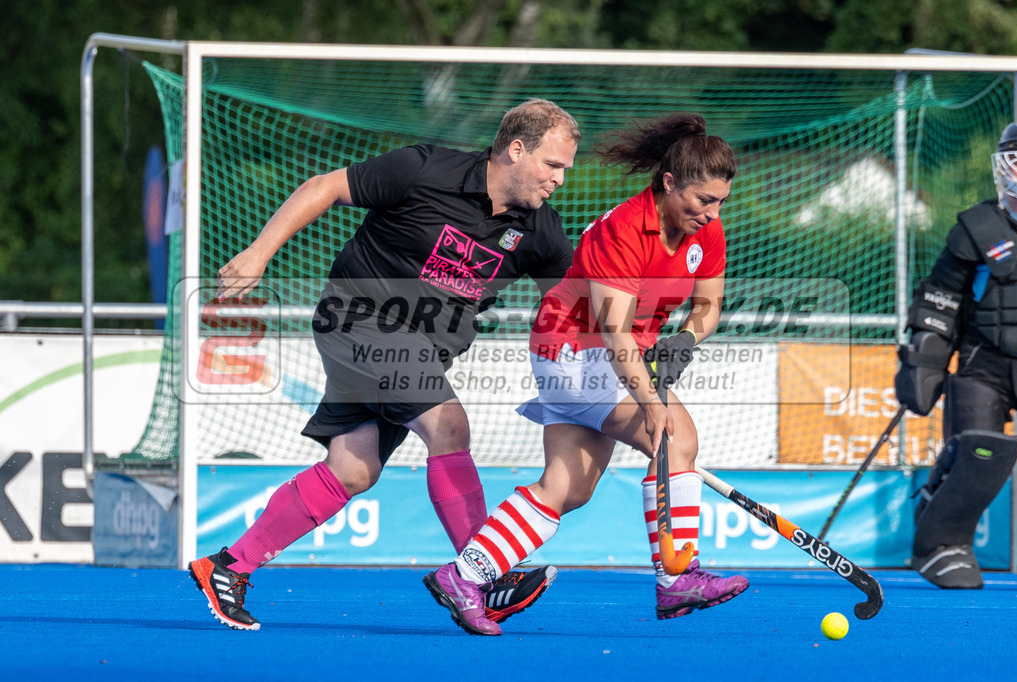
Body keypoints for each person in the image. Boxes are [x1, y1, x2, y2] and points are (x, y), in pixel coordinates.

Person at [189, 99, 581, 630]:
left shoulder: (541, 232)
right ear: (516, 149)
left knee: (354, 470)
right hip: (357, 316)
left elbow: (571, 302)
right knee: (449, 425)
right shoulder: (424, 169)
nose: (560, 179)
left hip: (421, 350)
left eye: (565, 169)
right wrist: (260, 253)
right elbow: (324, 187)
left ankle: (228, 566)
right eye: (553, 165)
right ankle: (481, 574)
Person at [422, 112, 748, 636]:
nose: (711, 213)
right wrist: (651, 402)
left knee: (568, 488)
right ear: (669, 184)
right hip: (574, 349)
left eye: (719, 202)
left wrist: (688, 337)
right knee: (676, 436)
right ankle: (676, 577)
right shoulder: (622, 230)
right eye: (703, 200)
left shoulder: (705, 234)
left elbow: (709, 303)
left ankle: (465, 575)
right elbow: (616, 335)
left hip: (607, 356)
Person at [895, 122, 1017, 589]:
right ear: (1004, 166)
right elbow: (939, 302)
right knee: (977, 451)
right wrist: (923, 363)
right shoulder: (976, 228)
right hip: (983, 364)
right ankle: (942, 543)